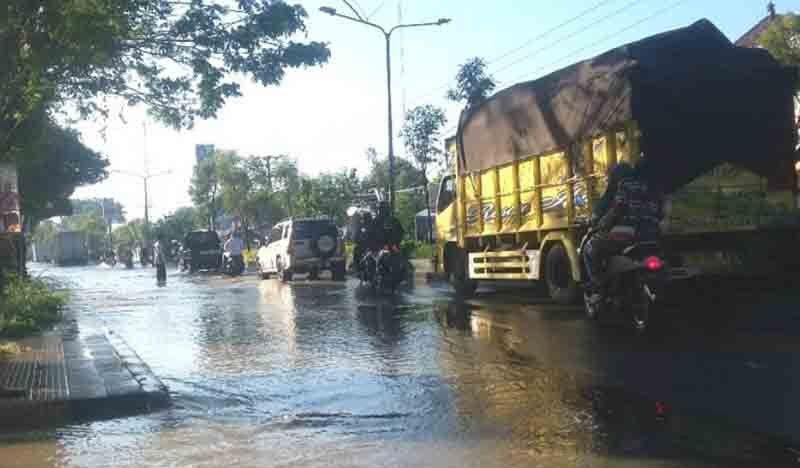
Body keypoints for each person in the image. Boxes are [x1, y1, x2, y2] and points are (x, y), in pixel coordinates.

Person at [585, 160, 664, 294]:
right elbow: (661, 212)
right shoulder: (655, 188)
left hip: (628, 234)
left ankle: (598, 284)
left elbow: (617, 209)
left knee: (590, 247)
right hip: (652, 235)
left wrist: (602, 224)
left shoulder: (625, 186)